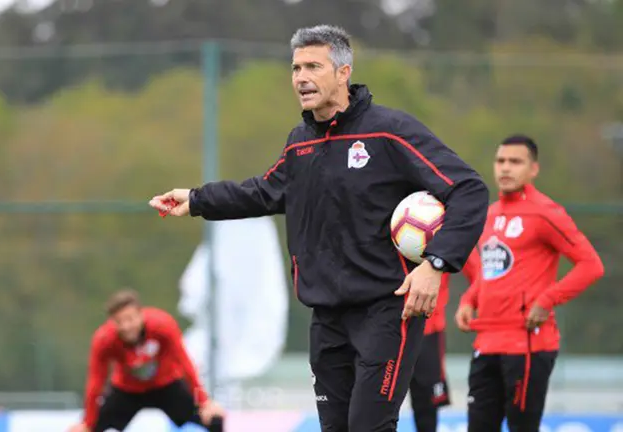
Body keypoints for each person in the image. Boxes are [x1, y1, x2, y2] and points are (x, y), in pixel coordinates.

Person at [150, 24, 489, 432]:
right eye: (295, 68)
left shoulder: (389, 131)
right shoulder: (300, 143)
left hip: (386, 311)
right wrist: (197, 199)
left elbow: (468, 189)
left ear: (344, 73)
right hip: (326, 317)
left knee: (368, 427)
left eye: (313, 66)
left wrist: (435, 265)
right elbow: (263, 191)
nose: (301, 78)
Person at [454, 134, 605, 432]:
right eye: (501, 161)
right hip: (485, 343)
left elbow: (591, 265)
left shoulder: (545, 213)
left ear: (533, 169)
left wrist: (548, 300)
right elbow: (491, 273)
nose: (506, 168)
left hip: (528, 345)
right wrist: (468, 301)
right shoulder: (489, 215)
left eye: (515, 162)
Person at [68, 290, 224, 432]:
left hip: (166, 385)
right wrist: (88, 422)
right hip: (127, 390)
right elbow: (95, 382)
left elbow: (185, 364)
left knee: (214, 419)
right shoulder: (104, 340)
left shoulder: (162, 325)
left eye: (130, 319)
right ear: (112, 322)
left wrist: (204, 402)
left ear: (140, 315)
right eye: (119, 321)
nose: (126, 326)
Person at [409, 265, 476, 432]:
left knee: (426, 406)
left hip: (428, 330)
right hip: (384, 331)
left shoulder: (444, 239)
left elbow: (481, 271)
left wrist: (468, 301)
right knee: (378, 402)